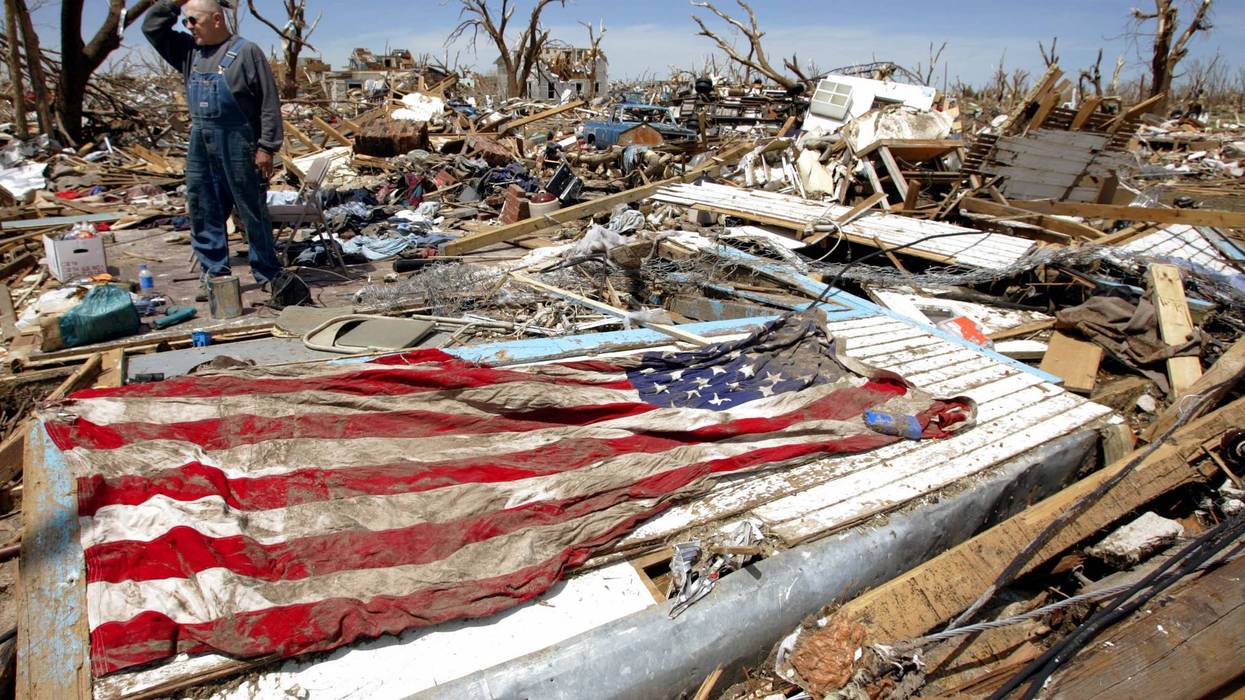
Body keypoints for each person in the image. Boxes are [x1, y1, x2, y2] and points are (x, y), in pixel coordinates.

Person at [144, 0, 285, 301]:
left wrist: (266, 148)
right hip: (201, 142)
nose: (189, 27)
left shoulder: (246, 52)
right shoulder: (188, 53)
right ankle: (215, 275)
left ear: (217, 19)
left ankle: (268, 274)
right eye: (185, 22)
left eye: (193, 21)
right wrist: (174, 4)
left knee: (251, 211)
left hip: (238, 143)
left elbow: (269, 104)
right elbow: (151, 28)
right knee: (204, 208)